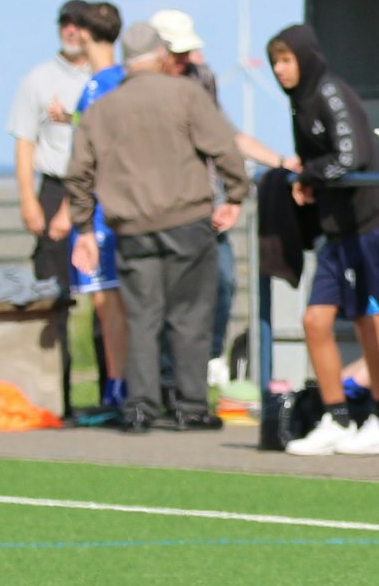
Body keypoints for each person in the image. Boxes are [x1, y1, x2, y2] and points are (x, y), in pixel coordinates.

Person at [63, 22, 248, 432]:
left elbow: (77, 175)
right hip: (187, 221)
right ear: (162, 56)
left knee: (142, 317)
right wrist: (235, 196)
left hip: (130, 227)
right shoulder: (186, 95)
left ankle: (140, 407)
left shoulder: (101, 111)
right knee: (189, 316)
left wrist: (85, 228)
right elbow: (223, 148)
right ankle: (190, 405)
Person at [262, 24, 379, 457]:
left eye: (286, 60)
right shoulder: (297, 102)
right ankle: (336, 417)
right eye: (275, 63)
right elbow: (323, 162)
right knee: (314, 322)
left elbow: (351, 156)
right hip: (336, 231)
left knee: (369, 320)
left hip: (366, 227)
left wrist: (308, 174)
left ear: (304, 57)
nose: (280, 70)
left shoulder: (329, 91)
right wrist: (305, 176)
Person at [47, 0, 130, 423]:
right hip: (120, 204)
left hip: (100, 211)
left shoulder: (99, 86)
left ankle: (118, 390)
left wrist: (68, 211)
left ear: (82, 33)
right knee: (111, 302)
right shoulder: (119, 81)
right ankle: (122, 387)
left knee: (107, 303)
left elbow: (91, 156)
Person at [153, 9, 238, 385]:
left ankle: (208, 360)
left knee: (223, 280)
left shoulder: (204, 79)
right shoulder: (140, 86)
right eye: (177, 52)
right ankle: (168, 377)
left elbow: (218, 140)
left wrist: (229, 196)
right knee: (163, 297)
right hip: (158, 210)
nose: (184, 60)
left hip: (206, 205)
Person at [9, 0, 96, 286]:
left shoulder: (101, 77)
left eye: (79, 24)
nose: (71, 31)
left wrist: (72, 208)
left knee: (99, 283)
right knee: (50, 279)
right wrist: (28, 200)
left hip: (96, 187)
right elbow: (24, 141)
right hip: (53, 186)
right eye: (65, 24)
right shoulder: (37, 79)